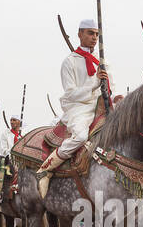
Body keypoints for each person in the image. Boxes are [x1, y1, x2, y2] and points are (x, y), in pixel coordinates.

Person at [35, 18, 111, 197]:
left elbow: (111, 87)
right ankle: (45, 170)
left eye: (96, 34)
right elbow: (70, 94)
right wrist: (94, 84)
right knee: (81, 136)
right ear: (79, 34)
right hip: (78, 109)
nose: (94, 38)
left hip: (100, 107)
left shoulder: (102, 62)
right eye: (90, 33)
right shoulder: (69, 62)